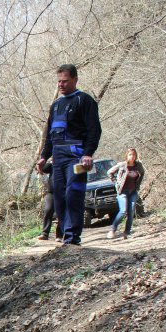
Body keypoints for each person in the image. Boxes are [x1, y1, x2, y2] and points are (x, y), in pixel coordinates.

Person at [36, 64, 101, 245]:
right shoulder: (56, 105)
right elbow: (49, 135)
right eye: (59, 82)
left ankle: (73, 238)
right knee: (59, 198)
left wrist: (88, 154)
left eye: (65, 81)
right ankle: (65, 236)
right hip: (58, 157)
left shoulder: (84, 101)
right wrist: (43, 156)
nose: (61, 85)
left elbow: (94, 130)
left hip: (77, 156)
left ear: (75, 79)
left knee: (74, 193)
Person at [106, 148, 145, 239]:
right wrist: (116, 182)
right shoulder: (122, 165)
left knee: (131, 211)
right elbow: (109, 172)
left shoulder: (138, 165)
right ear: (127, 156)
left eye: (134, 155)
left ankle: (126, 232)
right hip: (122, 191)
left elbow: (142, 173)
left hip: (133, 191)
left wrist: (138, 184)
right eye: (130, 154)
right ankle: (112, 230)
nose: (132, 156)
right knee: (123, 210)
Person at [37, 160, 62, 241]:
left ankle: (59, 235)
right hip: (51, 193)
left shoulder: (66, 164)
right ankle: (45, 233)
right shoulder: (52, 166)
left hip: (63, 192)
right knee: (48, 210)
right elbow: (44, 168)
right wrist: (46, 162)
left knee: (61, 213)